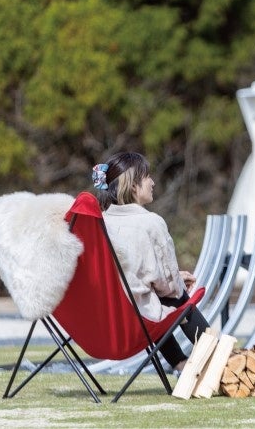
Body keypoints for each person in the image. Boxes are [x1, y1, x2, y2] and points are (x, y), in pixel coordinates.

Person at [91, 151, 210, 374]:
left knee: (150, 297)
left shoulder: (99, 223)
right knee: (177, 297)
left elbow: (126, 276)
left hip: (106, 322)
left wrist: (173, 276)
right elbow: (169, 287)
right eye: (148, 177)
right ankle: (215, 355)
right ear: (134, 185)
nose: (153, 182)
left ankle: (180, 363)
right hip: (142, 322)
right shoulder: (150, 222)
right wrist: (177, 279)